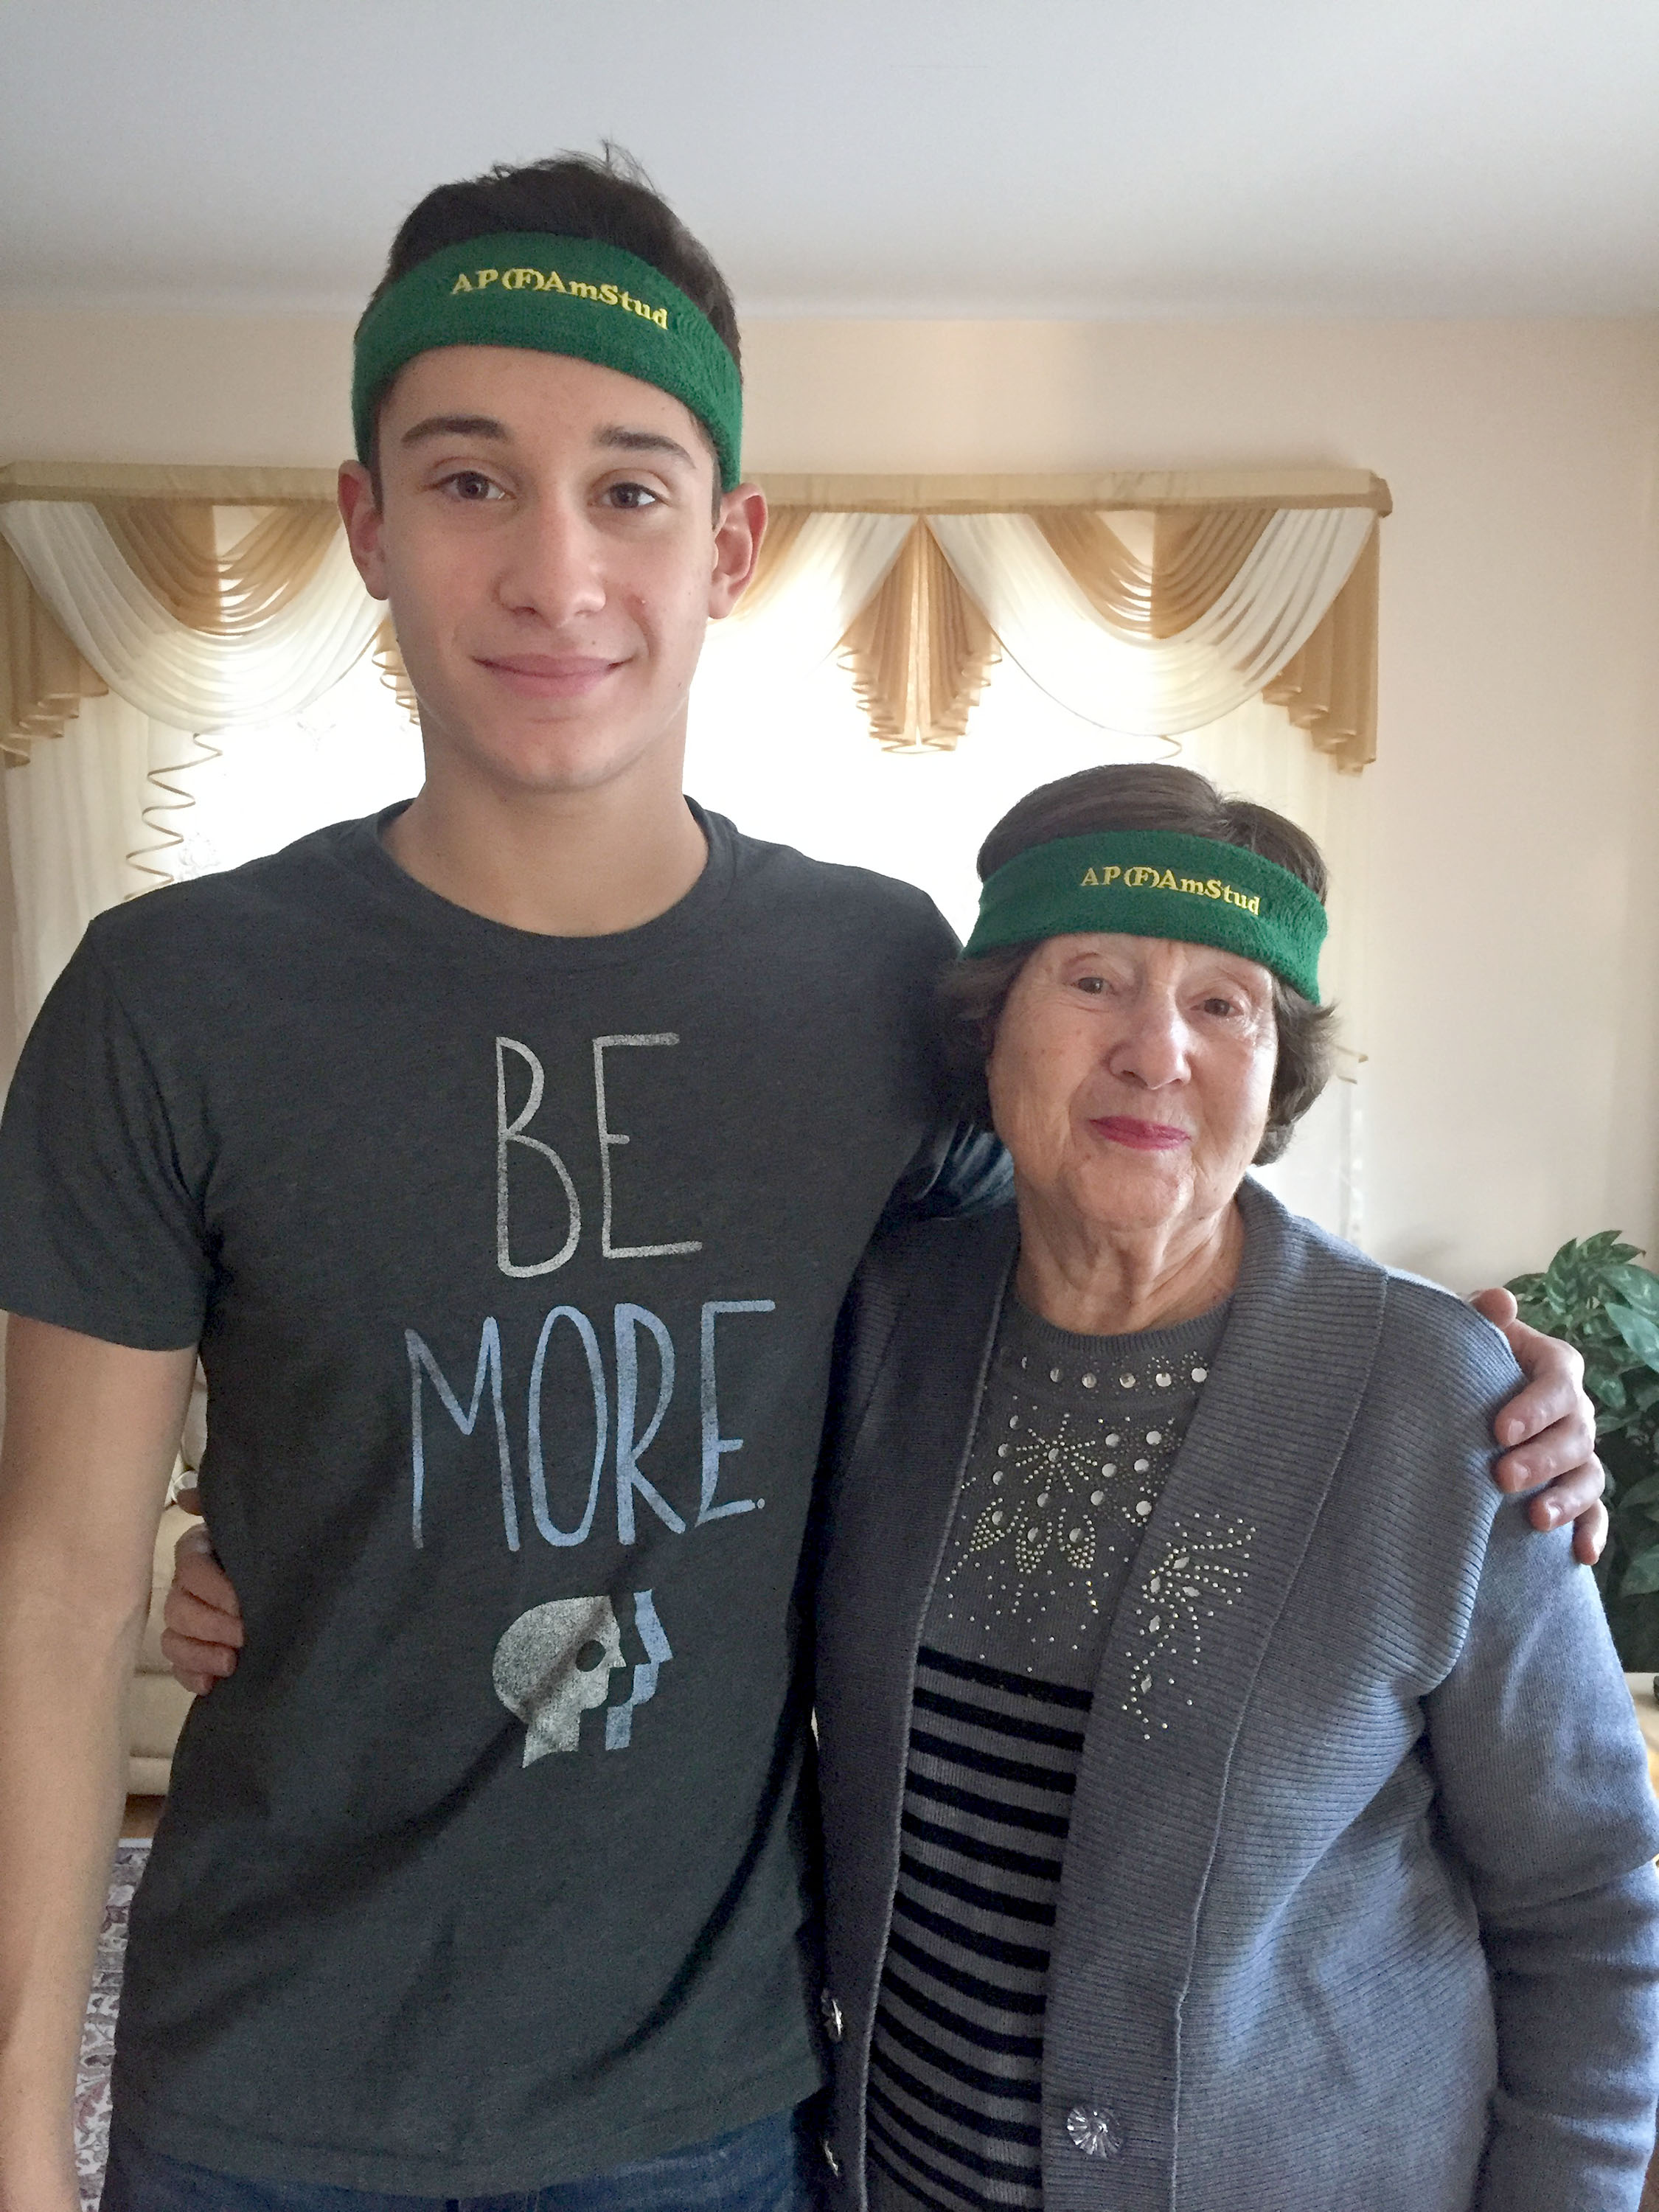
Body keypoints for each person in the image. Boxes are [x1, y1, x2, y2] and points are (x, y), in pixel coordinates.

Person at [0, 148, 1603, 2212]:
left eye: (632, 492)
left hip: (717, 2117)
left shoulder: (871, 983)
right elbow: (56, 1588)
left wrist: (1473, 1386)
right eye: (473, 480)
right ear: (367, 523)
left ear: (731, 542)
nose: (557, 576)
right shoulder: (172, 995)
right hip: (265, 2103)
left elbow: (1114, 1248)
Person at [807, 763, 1659, 2212]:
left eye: (1226, 1005)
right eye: (1097, 980)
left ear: (1276, 1070)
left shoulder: (1440, 1402)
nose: (1159, 1051)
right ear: (993, 1023)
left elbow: (1588, 1907)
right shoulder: (880, 1326)